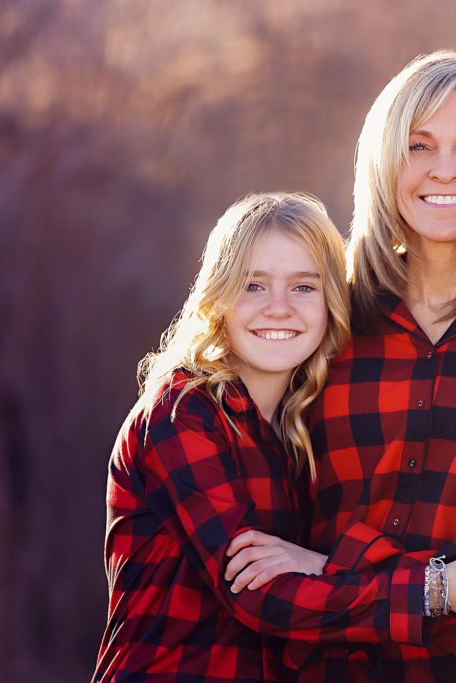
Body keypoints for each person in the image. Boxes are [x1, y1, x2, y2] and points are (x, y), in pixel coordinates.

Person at [228, 51, 456, 682]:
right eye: (418, 144)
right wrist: (433, 583)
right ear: (382, 162)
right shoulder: (323, 321)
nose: (445, 170)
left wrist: (327, 567)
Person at [94, 192, 392, 682]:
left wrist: (322, 565)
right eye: (254, 285)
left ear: (331, 302)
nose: (279, 308)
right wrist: (431, 593)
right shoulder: (182, 413)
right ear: (219, 299)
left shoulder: (306, 425)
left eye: (303, 287)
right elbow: (256, 594)